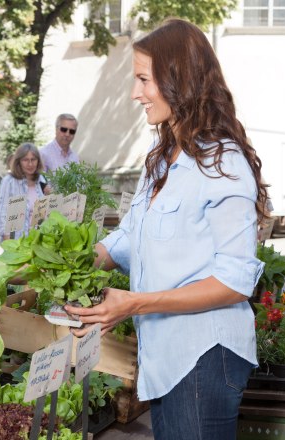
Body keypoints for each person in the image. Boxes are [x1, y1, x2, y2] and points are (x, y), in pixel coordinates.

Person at [65, 19, 269, 440]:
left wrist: (134, 303)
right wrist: (78, 260)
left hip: (203, 359)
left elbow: (233, 282)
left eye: (143, 79)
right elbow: (130, 235)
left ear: (179, 79)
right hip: (167, 356)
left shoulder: (222, 162)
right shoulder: (163, 160)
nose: (134, 93)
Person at [0, 143, 51, 241]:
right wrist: (8, 241)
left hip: (38, 242)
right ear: (18, 161)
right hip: (17, 242)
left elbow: (46, 215)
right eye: (25, 160)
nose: (30, 164)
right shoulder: (9, 181)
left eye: (33, 159)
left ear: (38, 161)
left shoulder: (42, 180)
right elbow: (1, 214)